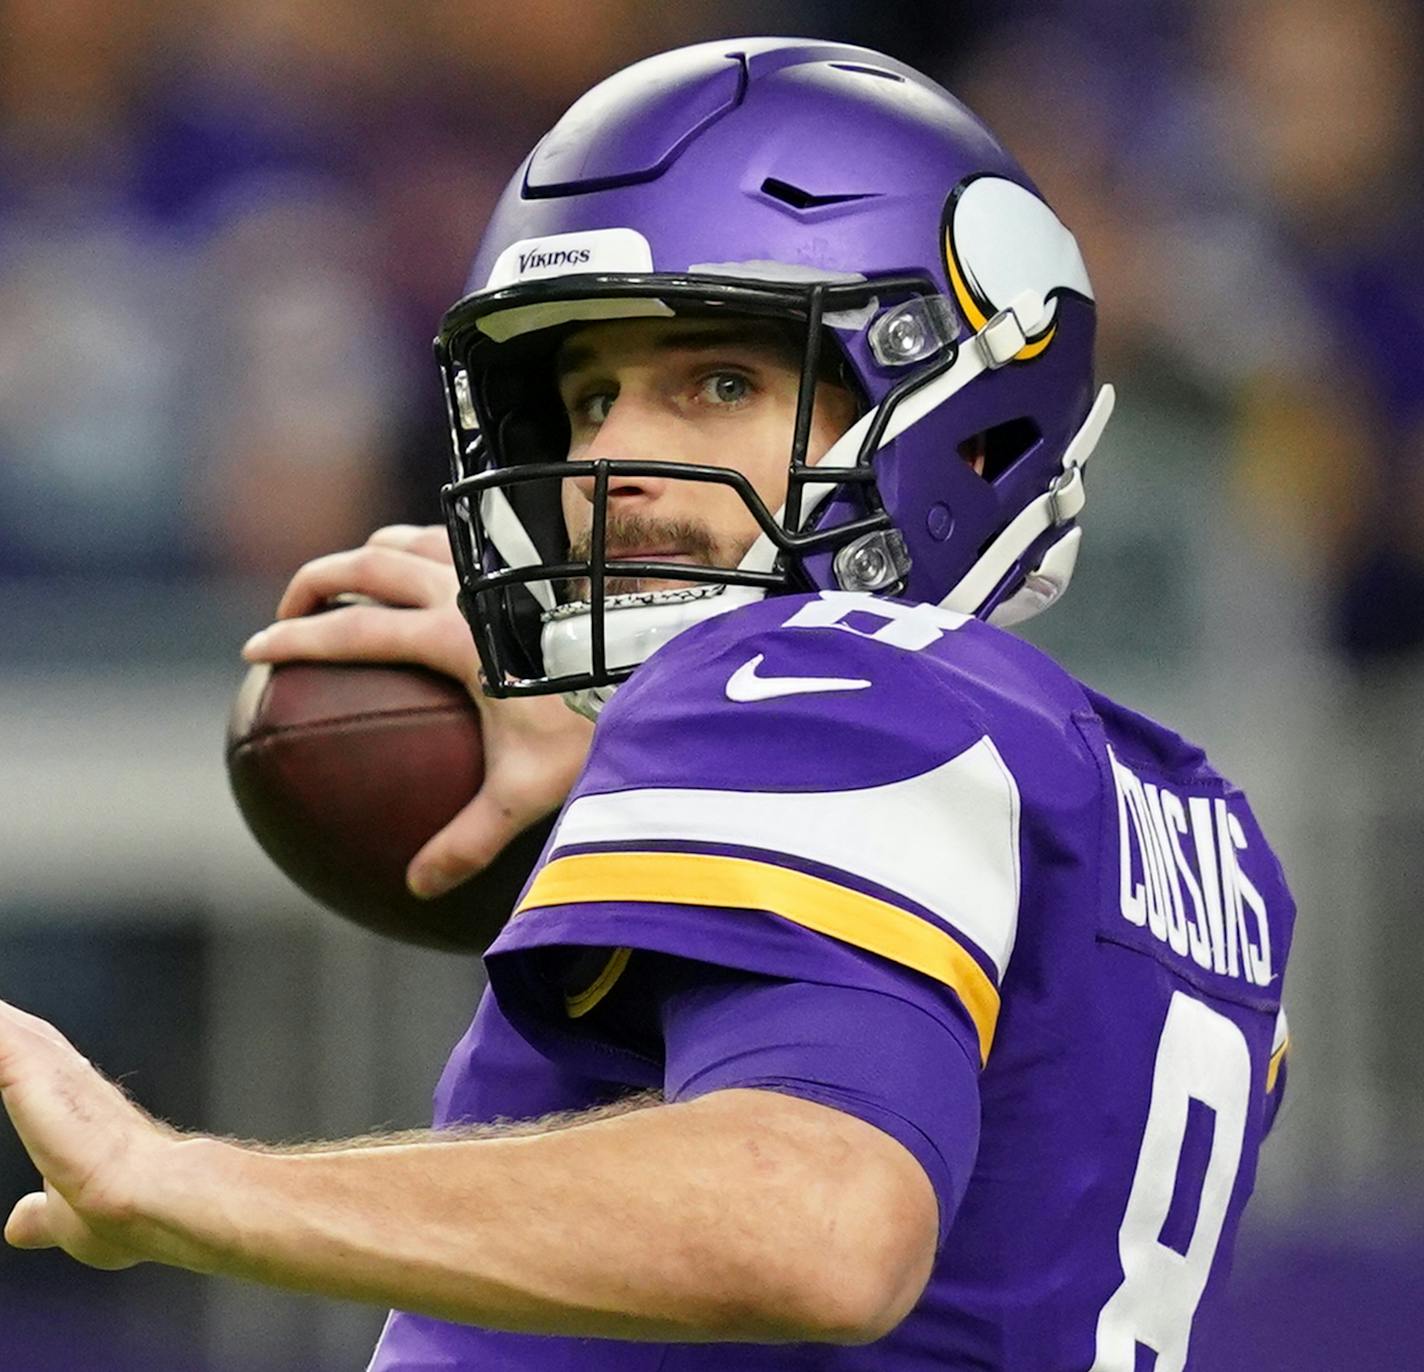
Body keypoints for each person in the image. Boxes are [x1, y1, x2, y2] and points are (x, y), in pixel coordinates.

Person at [0, 38, 1294, 1372]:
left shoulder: (808, 685)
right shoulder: (1171, 809)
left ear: (952, 403)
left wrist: (177, 1182)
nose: (612, 461)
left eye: (719, 383)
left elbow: (815, 1221)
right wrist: (634, 736)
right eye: (588, 399)